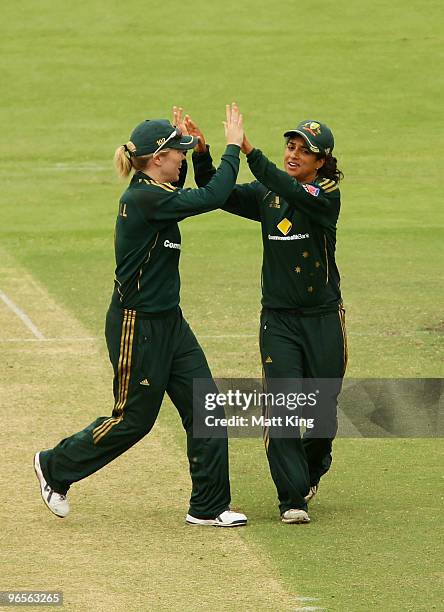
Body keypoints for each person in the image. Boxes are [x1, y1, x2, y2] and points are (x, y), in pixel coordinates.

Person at [33, 104, 248, 528]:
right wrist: (231, 148)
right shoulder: (145, 197)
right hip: (139, 324)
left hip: (170, 322)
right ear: (156, 160)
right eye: (178, 152)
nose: (182, 158)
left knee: (207, 408)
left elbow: (189, 189)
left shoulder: (157, 192)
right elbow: (212, 197)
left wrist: (200, 150)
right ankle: (55, 465)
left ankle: (208, 506)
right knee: (133, 419)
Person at [186, 112, 347, 524]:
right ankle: (292, 498)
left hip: (324, 318)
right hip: (279, 321)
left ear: (321, 161)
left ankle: (313, 467)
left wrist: (247, 149)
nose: (294, 154)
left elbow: (286, 185)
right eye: (290, 146)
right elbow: (217, 194)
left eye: (303, 151)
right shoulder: (266, 194)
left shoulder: (326, 193)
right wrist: (204, 155)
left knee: (322, 409)